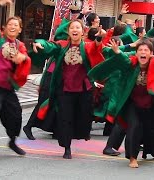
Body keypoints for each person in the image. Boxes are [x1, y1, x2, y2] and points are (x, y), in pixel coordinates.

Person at [88, 39, 154, 168]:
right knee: (134, 128)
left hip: (150, 103)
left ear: (151, 53)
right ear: (136, 53)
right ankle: (132, 157)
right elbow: (123, 60)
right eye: (140, 50)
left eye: (146, 50)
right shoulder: (131, 64)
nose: (143, 53)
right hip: (133, 103)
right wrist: (117, 51)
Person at [32, 19, 104, 159]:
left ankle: (81, 133)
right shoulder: (62, 45)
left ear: (83, 31)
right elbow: (50, 46)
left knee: (84, 116)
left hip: (83, 89)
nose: (75, 30)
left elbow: (96, 48)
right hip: (65, 89)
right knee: (65, 118)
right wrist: (40, 43)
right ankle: (67, 147)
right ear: (69, 31)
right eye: (72, 28)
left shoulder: (87, 46)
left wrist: (100, 38)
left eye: (78, 27)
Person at [0, 0, 32, 162]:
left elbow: (26, 58)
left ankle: (12, 141)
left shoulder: (20, 45)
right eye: (9, 24)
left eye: (15, 25)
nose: (12, 26)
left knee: (16, 114)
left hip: (7, 85)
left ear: (20, 29)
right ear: (4, 27)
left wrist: (22, 57)